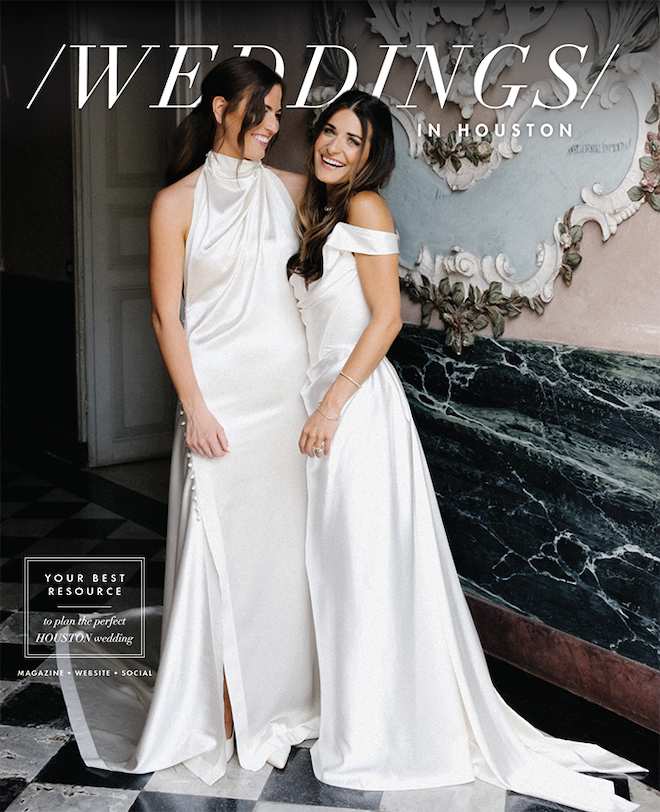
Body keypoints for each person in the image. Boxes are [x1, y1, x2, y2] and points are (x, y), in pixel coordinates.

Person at [287, 90, 640, 812]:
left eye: (353, 140)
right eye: (329, 131)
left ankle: (384, 725)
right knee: (337, 565)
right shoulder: (319, 213)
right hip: (321, 406)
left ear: (371, 155)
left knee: (363, 565)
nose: (334, 147)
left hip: (351, 410)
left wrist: (329, 404)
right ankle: (356, 703)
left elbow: (386, 320)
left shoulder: (367, 209)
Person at [58, 57, 319, 783]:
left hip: (286, 402)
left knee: (278, 558)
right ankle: (223, 707)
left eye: (278, 113)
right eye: (262, 112)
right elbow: (163, 315)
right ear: (219, 109)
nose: (275, 126)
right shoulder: (175, 203)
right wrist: (195, 408)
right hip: (219, 406)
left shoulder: (293, 192)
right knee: (217, 555)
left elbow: (347, 238)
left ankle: (282, 694)